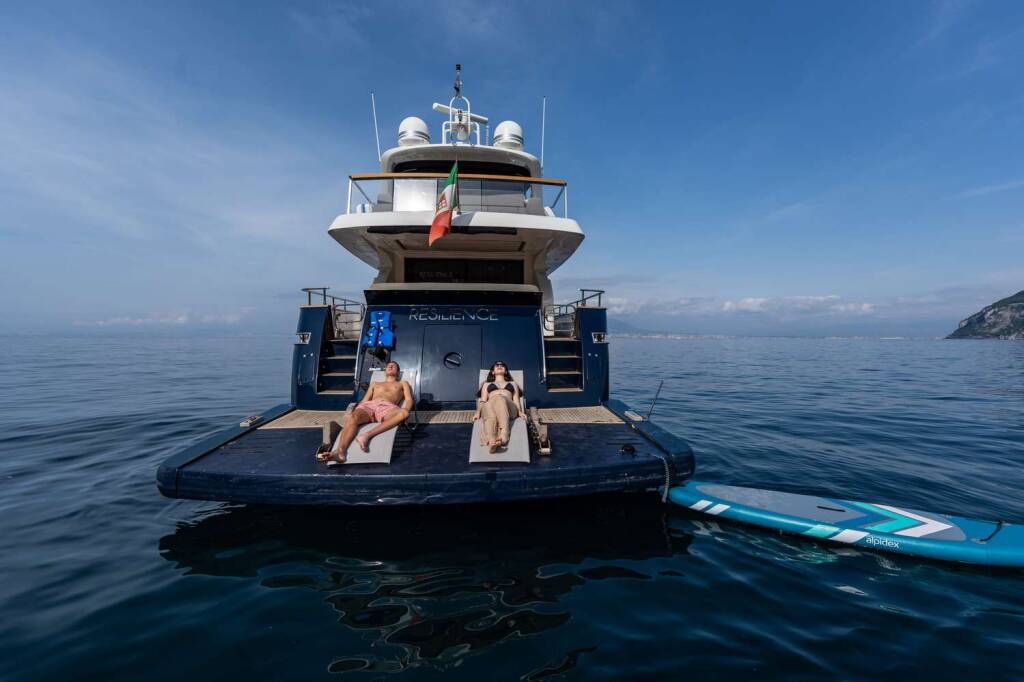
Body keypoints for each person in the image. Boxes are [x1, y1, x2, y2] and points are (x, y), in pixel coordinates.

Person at [320, 360, 412, 465]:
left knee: (404, 414)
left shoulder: (402, 383)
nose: (390, 367)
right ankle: (340, 452)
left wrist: (406, 409)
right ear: (385, 371)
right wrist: (355, 412)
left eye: (393, 366)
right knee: (353, 417)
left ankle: (367, 435)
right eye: (388, 366)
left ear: (398, 372)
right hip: (369, 406)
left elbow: (409, 400)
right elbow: (364, 400)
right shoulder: (375, 384)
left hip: (388, 407)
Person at [474, 361, 524, 453]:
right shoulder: (486, 384)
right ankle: (492, 441)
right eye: (497, 365)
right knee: (488, 407)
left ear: (506, 371)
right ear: (493, 372)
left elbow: (516, 400)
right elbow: (483, 400)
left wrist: (520, 412)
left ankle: (504, 435)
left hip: (509, 408)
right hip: (491, 406)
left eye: (502, 365)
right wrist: (478, 412)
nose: (499, 366)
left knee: (499, 398)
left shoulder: (513, 384)